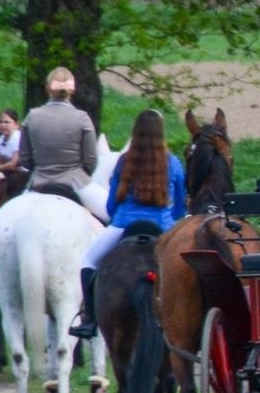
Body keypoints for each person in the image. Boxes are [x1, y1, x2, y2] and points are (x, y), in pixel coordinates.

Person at [69, 109, 186, 339]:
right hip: (163, 227)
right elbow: (180, 206)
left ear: (136, 132)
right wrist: (171, 218)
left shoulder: (124, 161)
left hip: (124, 224)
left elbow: (112, 205)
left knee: (88, 262)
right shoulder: (173, 163)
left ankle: (90, 320)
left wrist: (118, 216)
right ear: (161, 133)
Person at [20, 67, 106, 221]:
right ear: (72, 90)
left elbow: (24, 159)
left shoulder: (32, 116)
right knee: (111, 214)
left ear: (48, 89)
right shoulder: (82, 118)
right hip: (75, 182)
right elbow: (91, 160)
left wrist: (41, 168)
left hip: (39, 181)